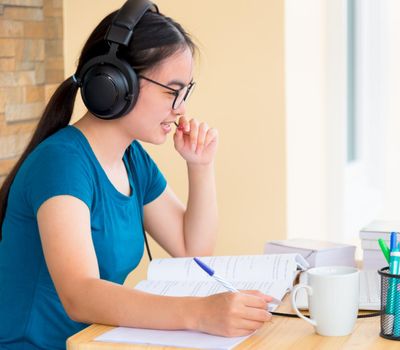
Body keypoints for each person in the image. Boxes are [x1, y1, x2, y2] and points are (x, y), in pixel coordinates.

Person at [0, 1, 272, 349]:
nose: (181, 107)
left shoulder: (132, 160)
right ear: (113, 83)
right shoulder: (62, 163)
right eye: (172, 91)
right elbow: (80, 295)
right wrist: (199, 313)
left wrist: (200, 166)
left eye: (186, 91)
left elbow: (194, 250)